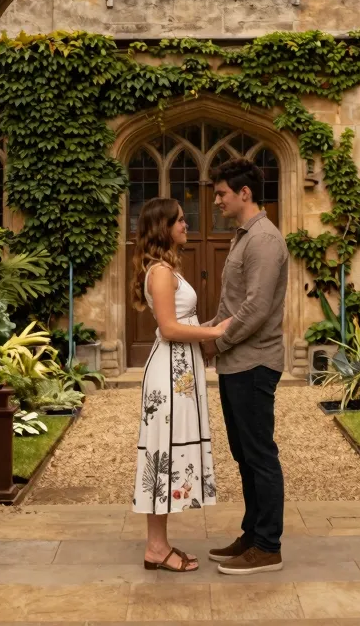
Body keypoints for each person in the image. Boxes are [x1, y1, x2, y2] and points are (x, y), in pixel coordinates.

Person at [131, 196, 232, 573]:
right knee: (162, 455)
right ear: (163, 228)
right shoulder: (159, 271)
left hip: (182, 372)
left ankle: (160, 545)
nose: (186, 225)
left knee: (171, 454)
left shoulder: (167, 268)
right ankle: (155, 548)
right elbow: (170, 328)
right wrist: (214, 331)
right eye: (179, 221)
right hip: (169, 374)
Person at [203, 157, 289, 575]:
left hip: (254, 364)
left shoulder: (264, 241)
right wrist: (198, 332)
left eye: (221, 193)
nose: (216, 200)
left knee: (259, 455)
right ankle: (252, 535)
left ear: (244, 193)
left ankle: (268, 546)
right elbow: (230, 307)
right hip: (236, 363)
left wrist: (216, 343)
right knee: (244, 454)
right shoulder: (242, 237)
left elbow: (255, 309)